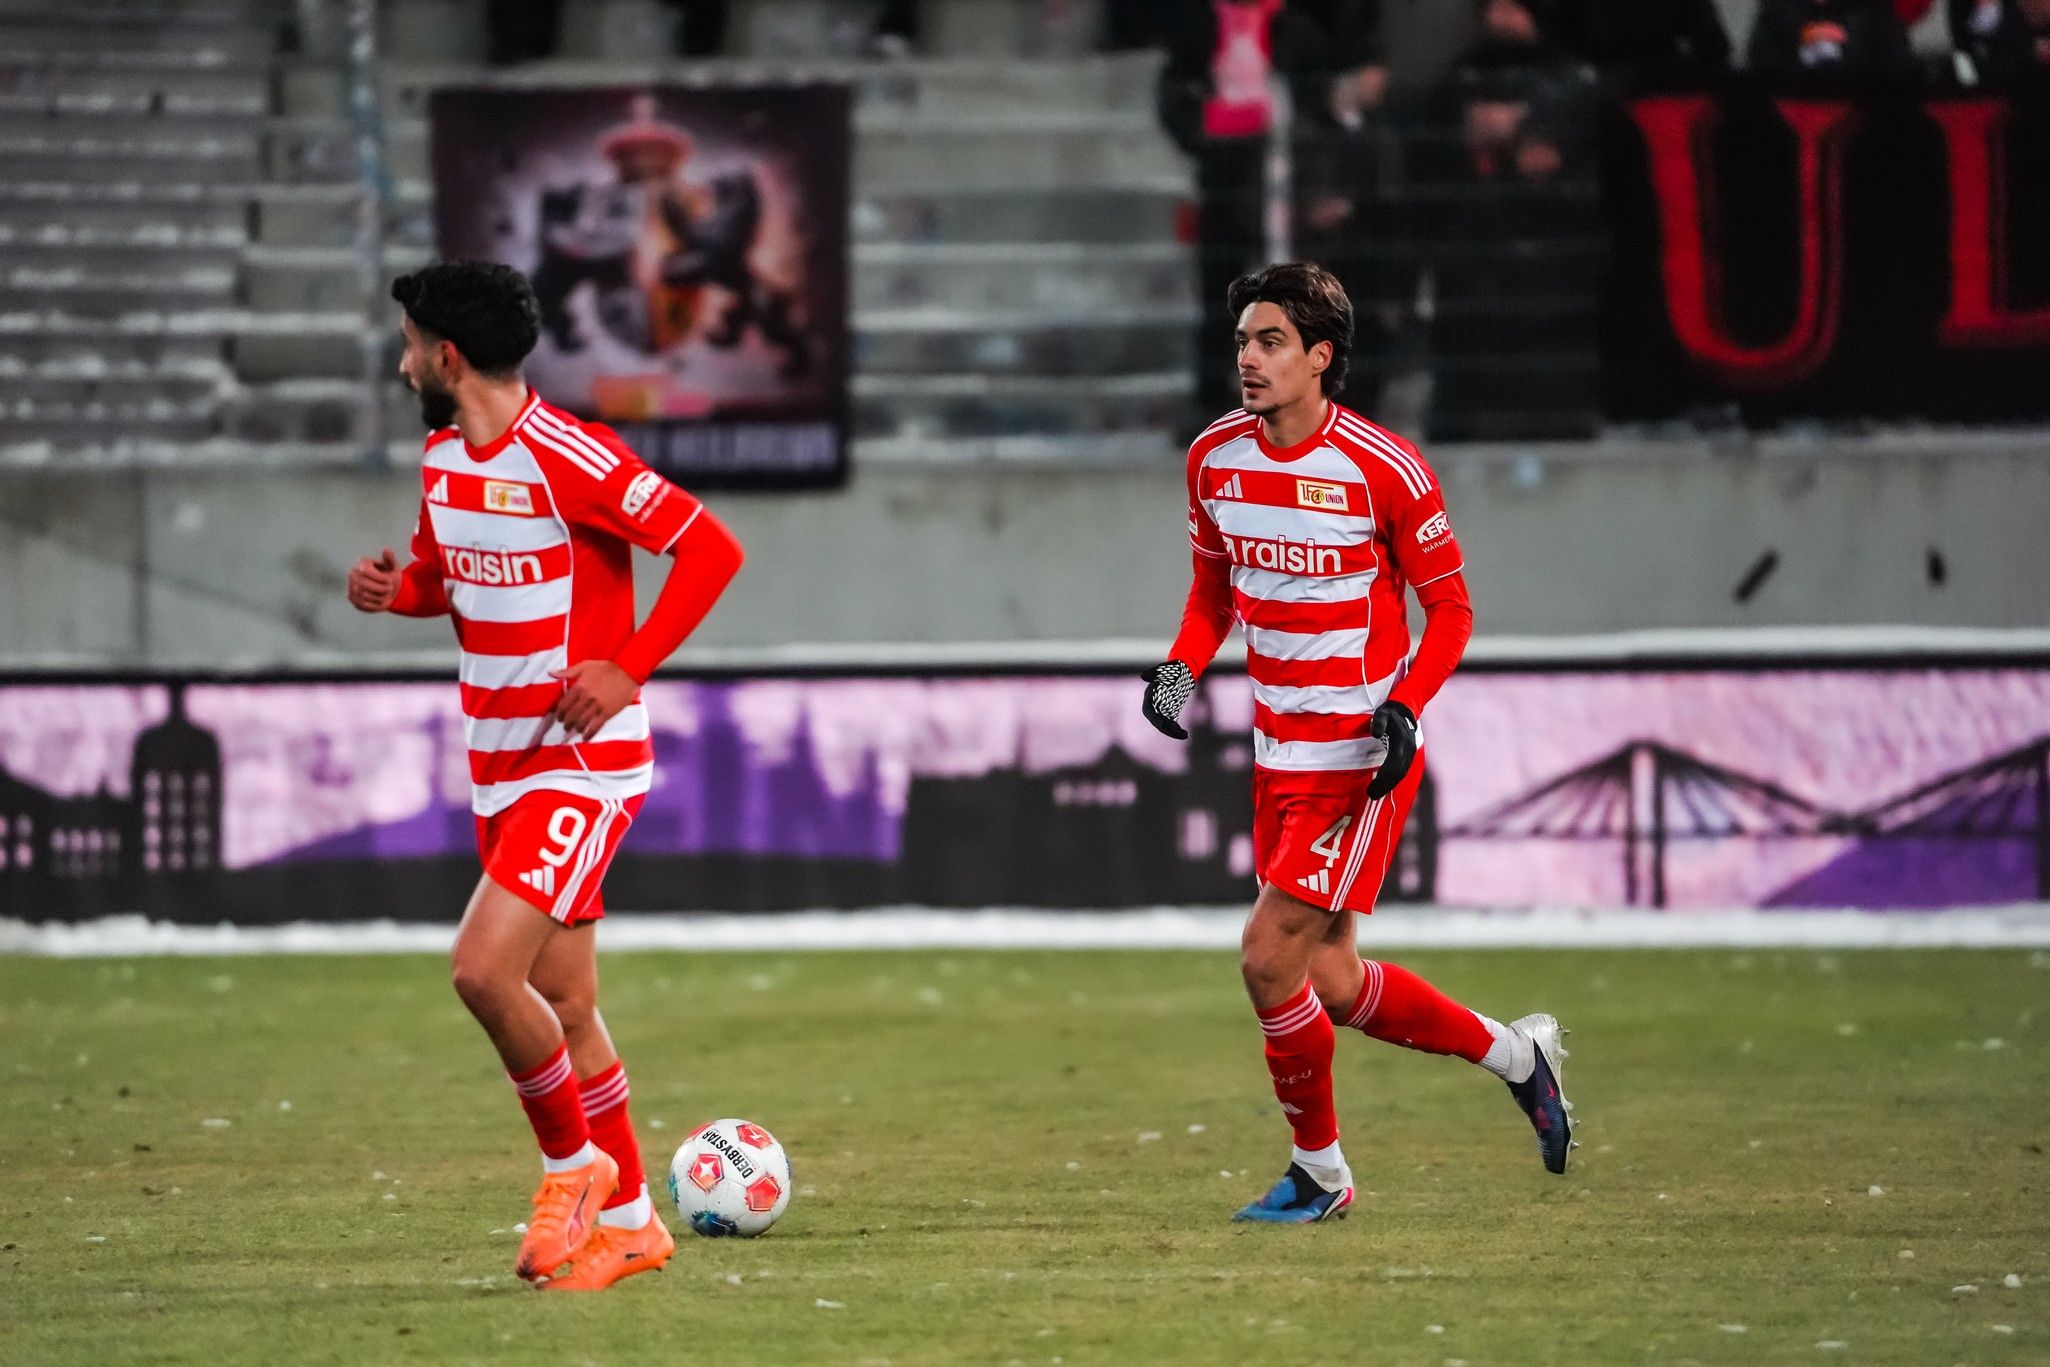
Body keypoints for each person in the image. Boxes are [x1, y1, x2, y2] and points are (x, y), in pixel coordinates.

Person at [1139, 262, 1572, 1223]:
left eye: (1270, 343)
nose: (1247, 360)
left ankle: (1321, 1174)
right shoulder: (1213, 459)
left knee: (1264, 960)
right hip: (1275, 753)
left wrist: (1408, 704)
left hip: (1358, 760)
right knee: (1329, 980)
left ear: (1320, 358)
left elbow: (1451, 611)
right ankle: (1517, 1054)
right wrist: (1177, 672)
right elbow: (1213, 595)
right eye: (1243, 341)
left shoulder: (1385, 467)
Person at [345, 262, 744, 1289]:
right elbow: (450, 577)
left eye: (406, 343)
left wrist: (628, 667)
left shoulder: (572, 454)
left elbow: (708, 547)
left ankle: (571, 1170)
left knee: (484, 971)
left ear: (449, 355)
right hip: (497, 767)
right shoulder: (442, 456)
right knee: (564, 1002)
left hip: (582, 762)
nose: (400, 361)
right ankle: (634, 1223)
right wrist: (398, 592)